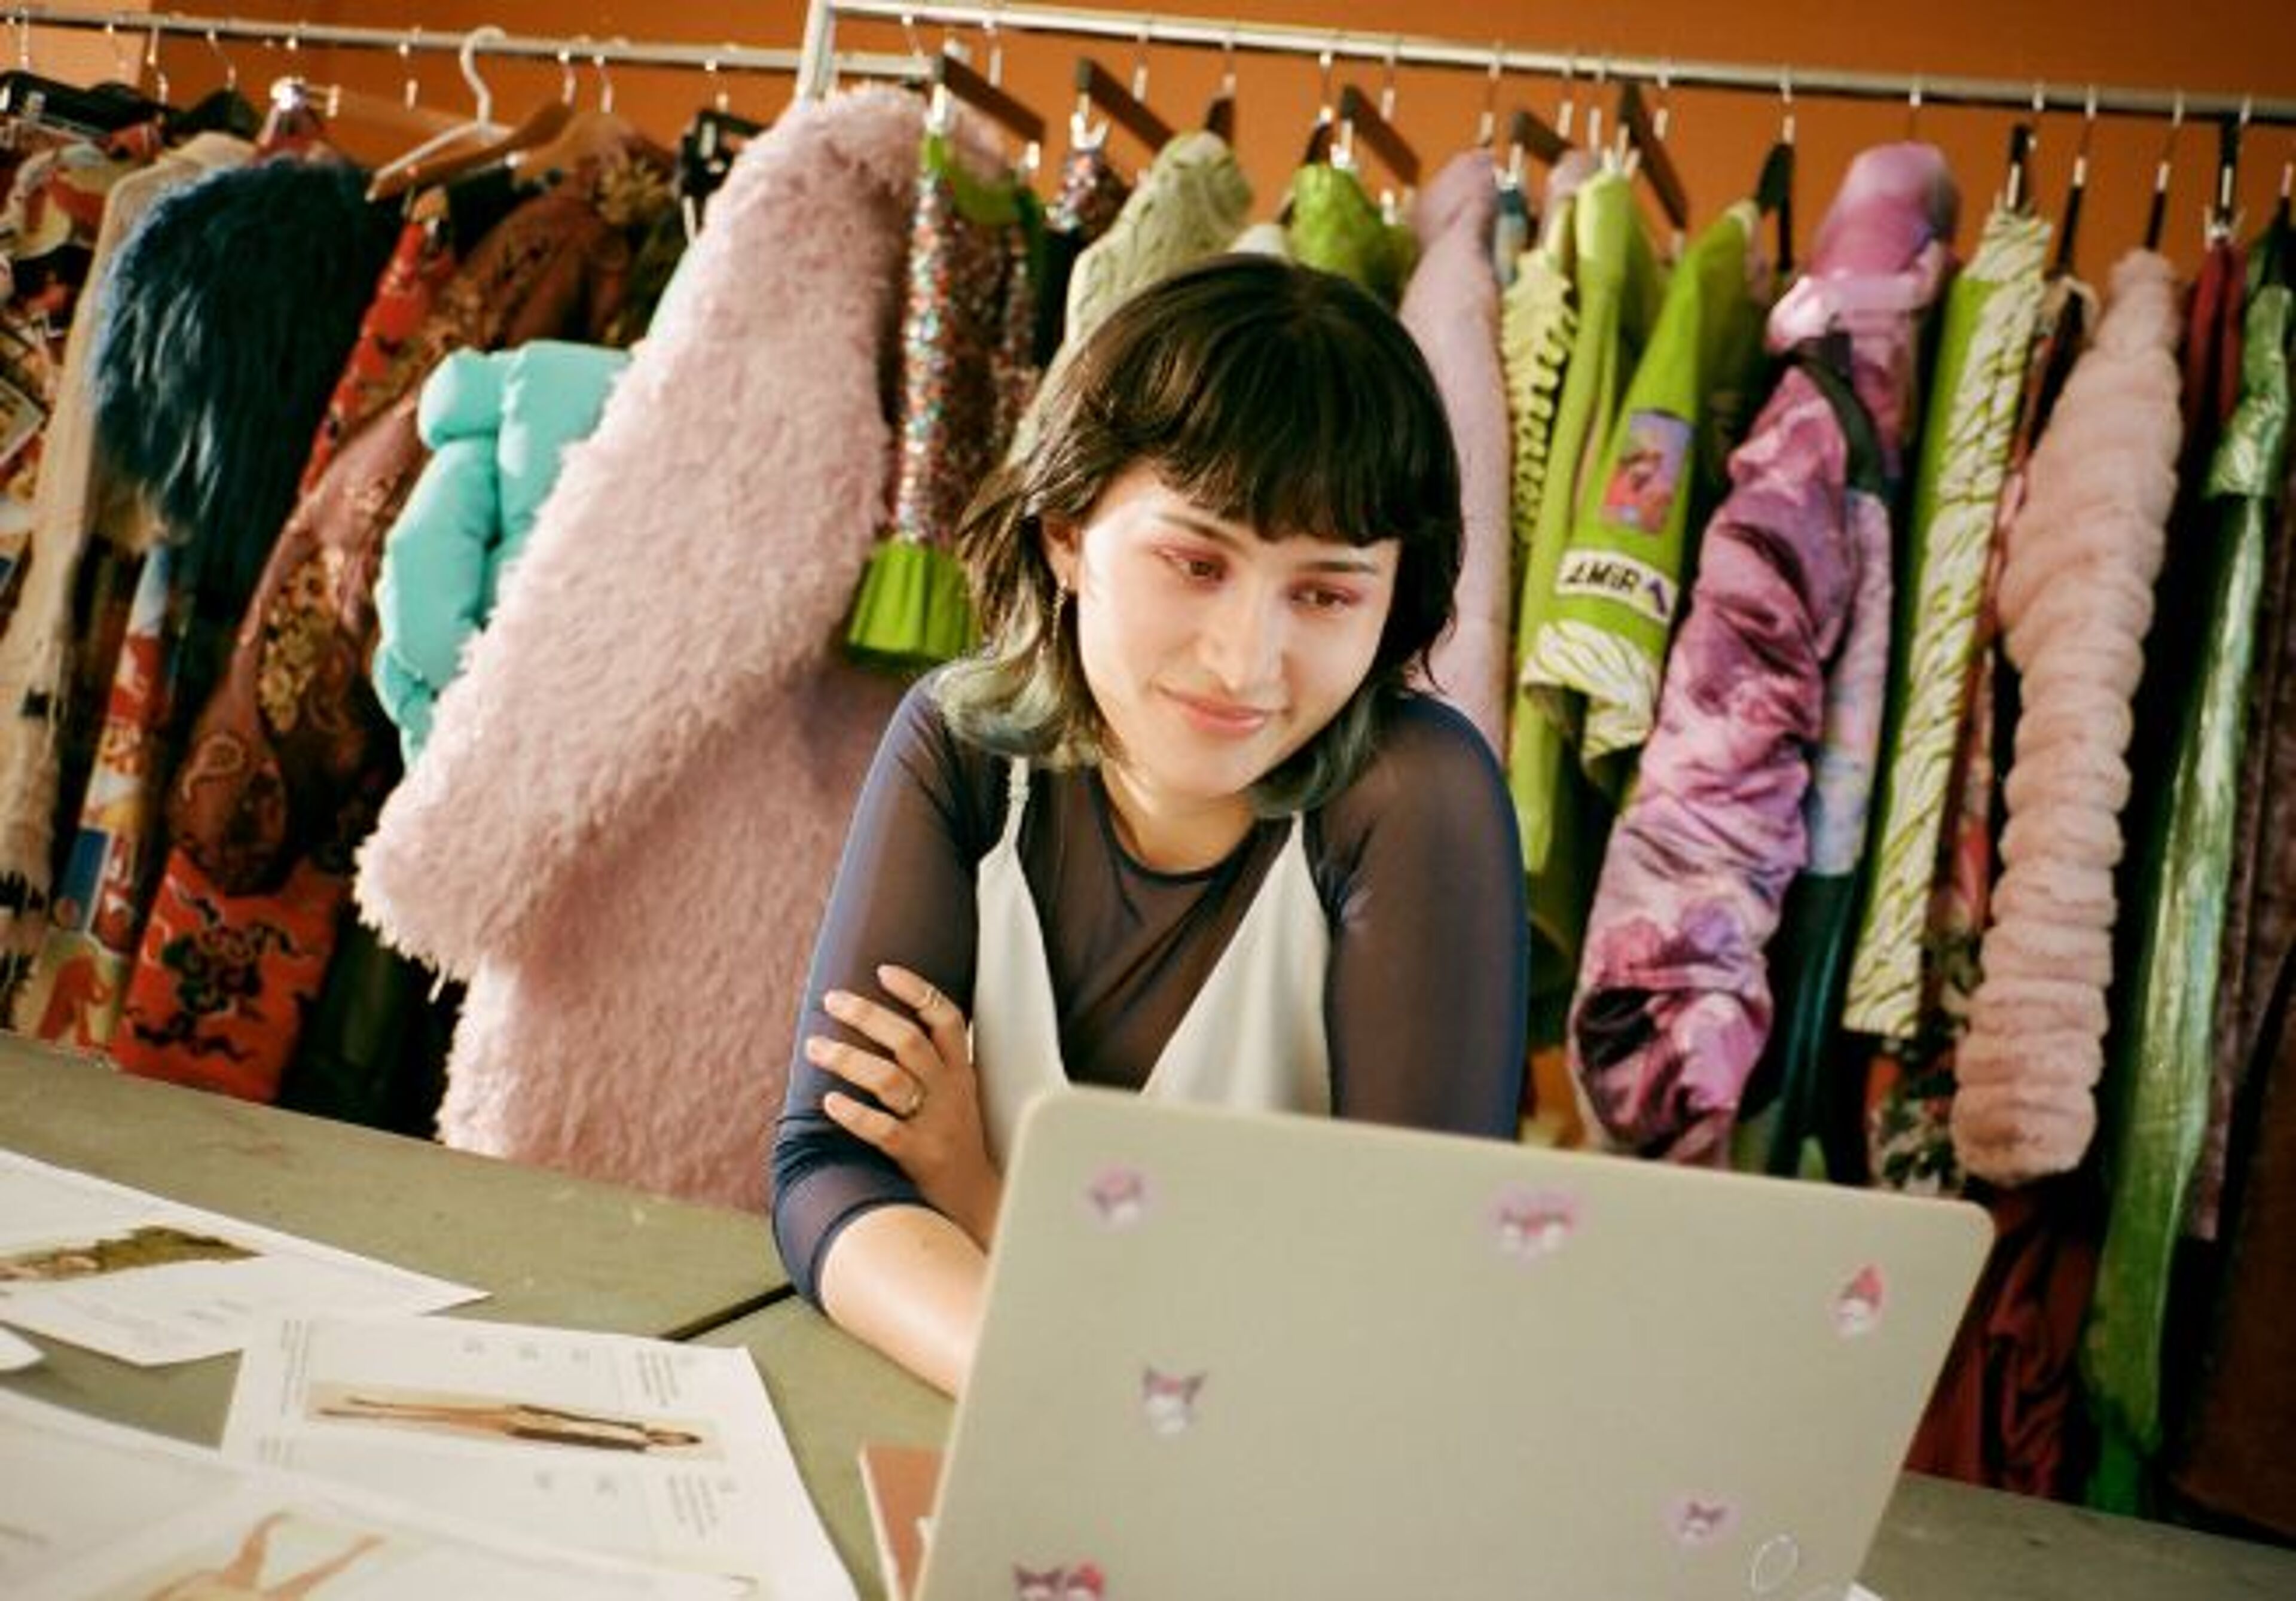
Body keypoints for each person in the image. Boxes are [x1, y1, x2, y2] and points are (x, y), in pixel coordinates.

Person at [771, 255, 1529, 1395]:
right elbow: (827, 1167)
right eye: (1196, 561)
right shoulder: (961, 746)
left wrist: (981, 1194)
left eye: (1324, 593)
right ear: (1067, 531)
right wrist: (1046, 1381)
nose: (1246, 661)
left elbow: (1410, 1292)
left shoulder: (1414, 796)